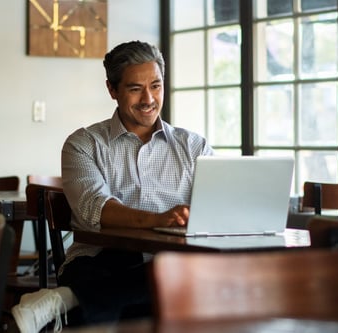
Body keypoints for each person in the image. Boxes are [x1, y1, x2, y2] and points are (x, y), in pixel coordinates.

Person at [12, 40, 214, 333]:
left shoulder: (195, 147)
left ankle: (65, 301)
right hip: (102, 259)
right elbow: (97, 208)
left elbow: (215, 208)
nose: (149, 99)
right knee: (169, 279)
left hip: (177, 261)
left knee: (188, 274)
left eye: (156, 86)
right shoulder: (83, 145)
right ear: (112, 90)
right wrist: (158, 220)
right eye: (135, 89)